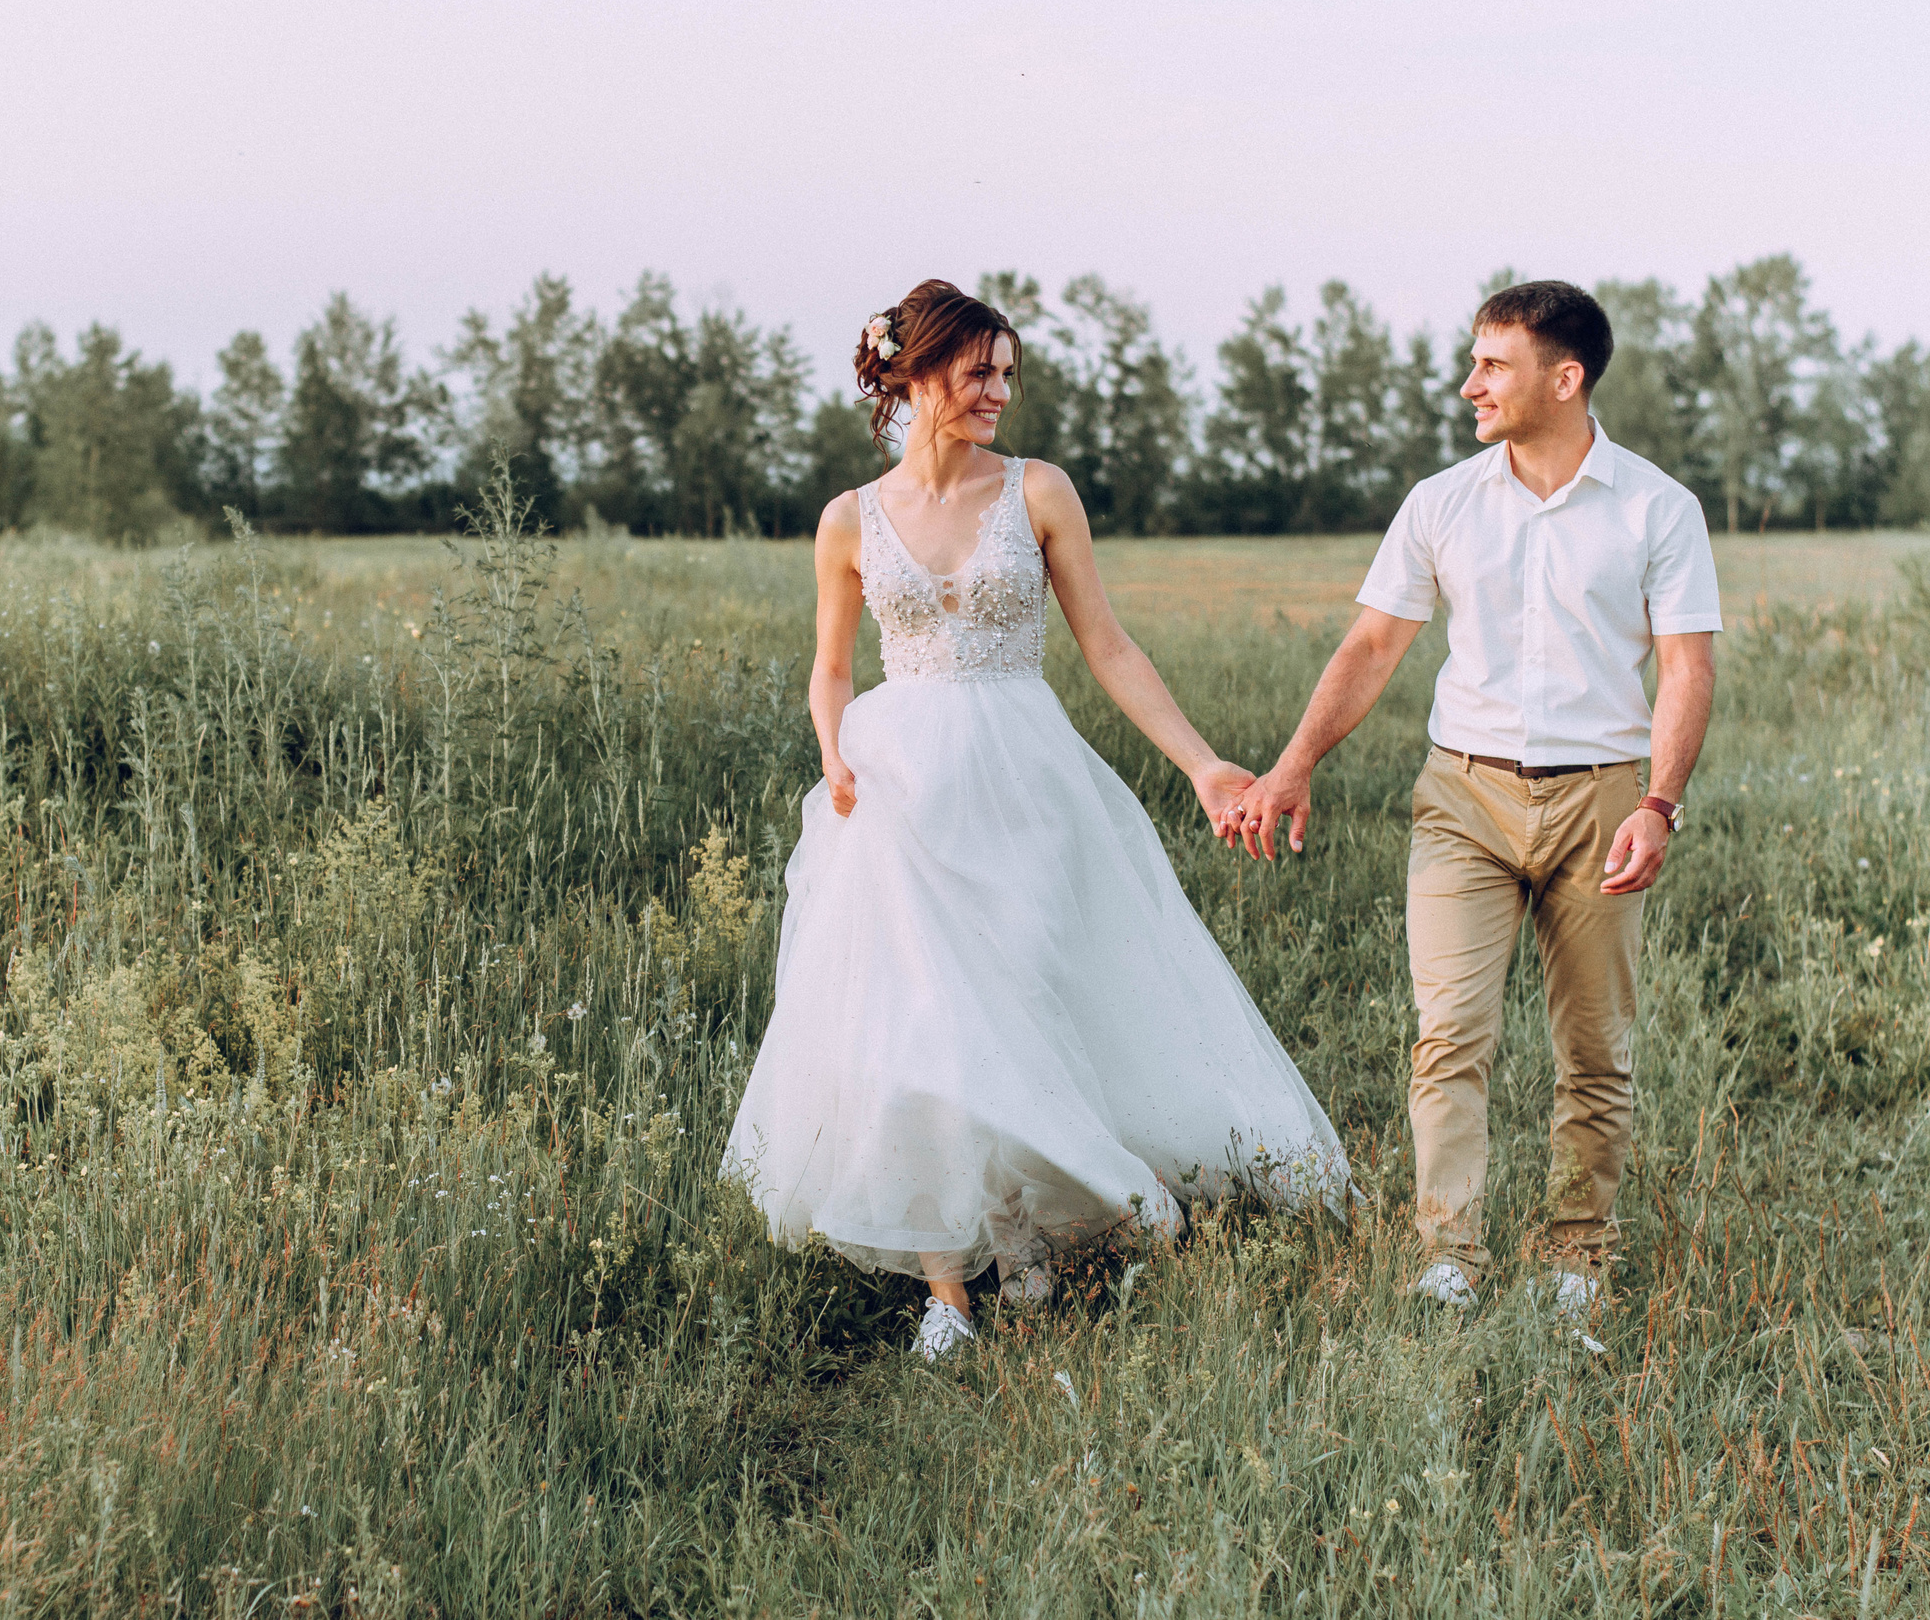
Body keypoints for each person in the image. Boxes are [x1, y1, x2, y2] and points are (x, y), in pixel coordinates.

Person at [722, 279, 1350, 1361]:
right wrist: (831, 750)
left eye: (1007, 373)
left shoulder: (1038, 492)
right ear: (915, 374)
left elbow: (1108, 645)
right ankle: (946, 1291)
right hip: (897, 789)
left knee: (1020, 996)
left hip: (1024, 778)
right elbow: (829, 669)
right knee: (922, 1024)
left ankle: (1031, 1237)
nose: (998, 393)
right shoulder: (848, 520)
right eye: (979, 373)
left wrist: (1201, 766)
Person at [1228, 280, 1719, 1323]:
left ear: (1564, 377)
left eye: (1491, 365)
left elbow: (1684, 668)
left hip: (1602, 801)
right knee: (1449, 1034)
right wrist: (1292, 763)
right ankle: (1449, 1254)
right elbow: (1371, 646)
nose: (1468, 386)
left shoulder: (1655, 507)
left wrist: (1658, 803)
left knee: (1593, 1051)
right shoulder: (1440, 502)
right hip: (1461, 797)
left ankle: (1575, 1262)